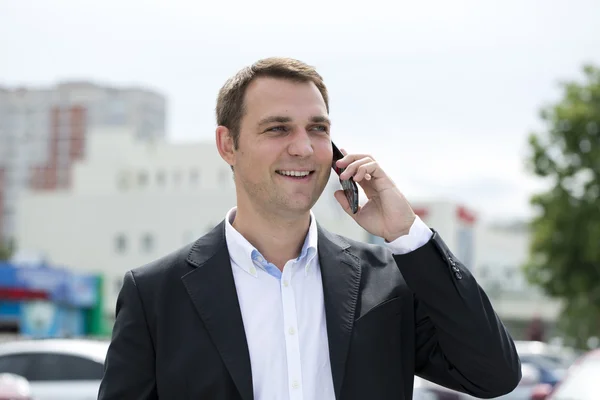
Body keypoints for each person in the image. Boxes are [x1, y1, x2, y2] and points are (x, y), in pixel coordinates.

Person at [98, 57, 521, 400]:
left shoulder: (389, 282)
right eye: (278, 128)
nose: (302, 147)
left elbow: (493, 376)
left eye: (317, 129)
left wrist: (407, 234)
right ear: (228, 144)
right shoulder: (155, 294)